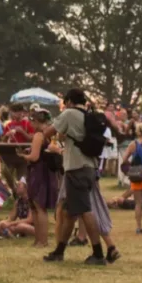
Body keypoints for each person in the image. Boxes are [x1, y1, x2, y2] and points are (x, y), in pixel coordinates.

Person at [42, 89, 108, 266]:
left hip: (76, 167)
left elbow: (48, 132)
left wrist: (39, 130)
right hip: (89, 166)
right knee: (70, 212)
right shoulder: (87, 115)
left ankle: (98, 253)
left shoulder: (69, 114)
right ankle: (59, 250)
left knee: (84, 210)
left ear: (69, 101)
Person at [22, 109, 60, 248]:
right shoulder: (50, 134)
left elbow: (34, 157)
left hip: (38, 172)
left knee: (38, 207)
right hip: (47, 172)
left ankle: (42, 241)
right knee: (38, 207)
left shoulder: (39, 135)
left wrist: (23, 156)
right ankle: (39, 240)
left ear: (36, 121)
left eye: (31, 121)